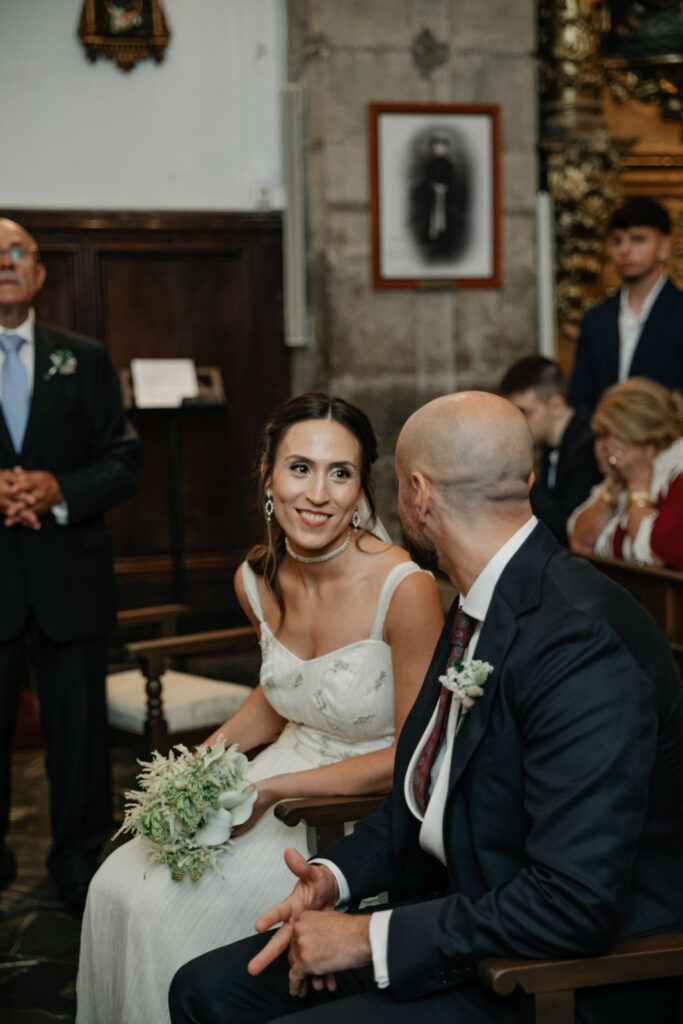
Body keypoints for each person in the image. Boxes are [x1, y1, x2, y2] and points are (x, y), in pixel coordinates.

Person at [169, 391, 683, 1024]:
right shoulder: (477, 602)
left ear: (417, 494)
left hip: (553, 973)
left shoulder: (580, 640)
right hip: (466, 916)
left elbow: (574, 903)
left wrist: (367, 939)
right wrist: (333, 877)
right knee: (203, 990)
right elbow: (424, 796)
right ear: (524, 480)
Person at [76, 392, 444, 1024]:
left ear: (362, 490)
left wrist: (273, 790)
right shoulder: (255, 579)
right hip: (273, 777)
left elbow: (415, 759)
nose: (318, 494)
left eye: (340, 473)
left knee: (160, 910)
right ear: (268, 477)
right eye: (300, 468)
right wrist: (198, 768)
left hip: (354, 808)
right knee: (113, 884)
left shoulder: (404, 589)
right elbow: (280, 695)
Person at [0, 217, 140, 909]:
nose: (5, 260)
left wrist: (58, 490)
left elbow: (123, 459)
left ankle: (80, 863)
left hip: (70, 575)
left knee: (80, 736)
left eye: (18, 250)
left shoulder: (82, 357)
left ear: (40, 271)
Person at [568, 195, 683, 413]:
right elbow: (581, 397)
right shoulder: (596, 318)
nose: (625, 250)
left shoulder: (679, 310)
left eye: (638, 239)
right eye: (617, 240)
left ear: (664, 247)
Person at [567, 377, 683, 570]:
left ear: (636, 435)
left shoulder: (676, 475)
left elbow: (654, 556)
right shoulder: (620, 476)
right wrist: (613, 489)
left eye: (606, 436)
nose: (599, 447)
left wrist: (639, 486)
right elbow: (579, 542)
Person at [500, 354, 601, 545]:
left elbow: (567, 528)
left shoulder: (590, 447)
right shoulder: (547, 442)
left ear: (556, 406)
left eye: (523, 412)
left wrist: (520, 473)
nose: (516, 423)